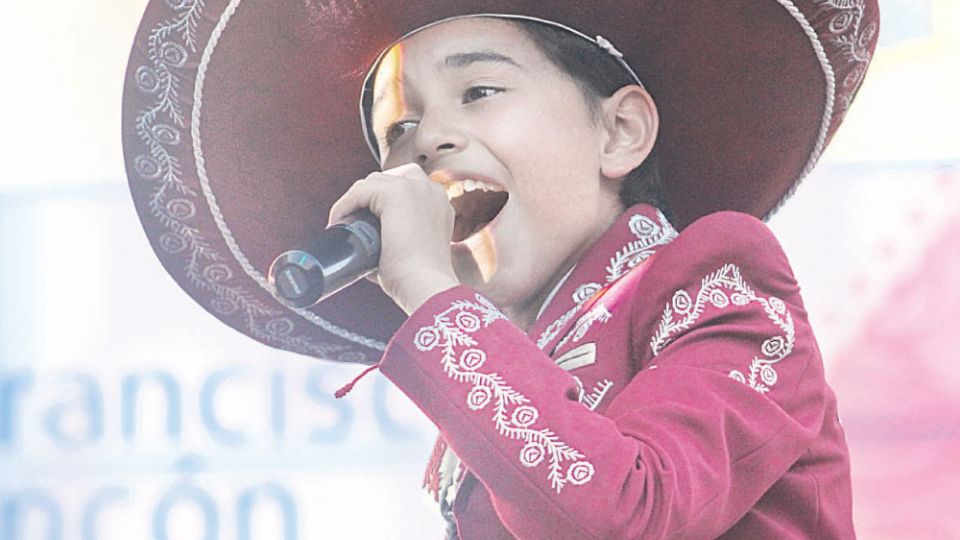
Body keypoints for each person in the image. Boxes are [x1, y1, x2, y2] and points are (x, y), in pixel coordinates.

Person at [123, 2, 880, 538]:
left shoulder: (715, 272)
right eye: (399, 129)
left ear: (620, 131)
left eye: (479, 92)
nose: (428, 142)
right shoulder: (495, 373)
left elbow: (627, 516)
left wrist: (431, 293)